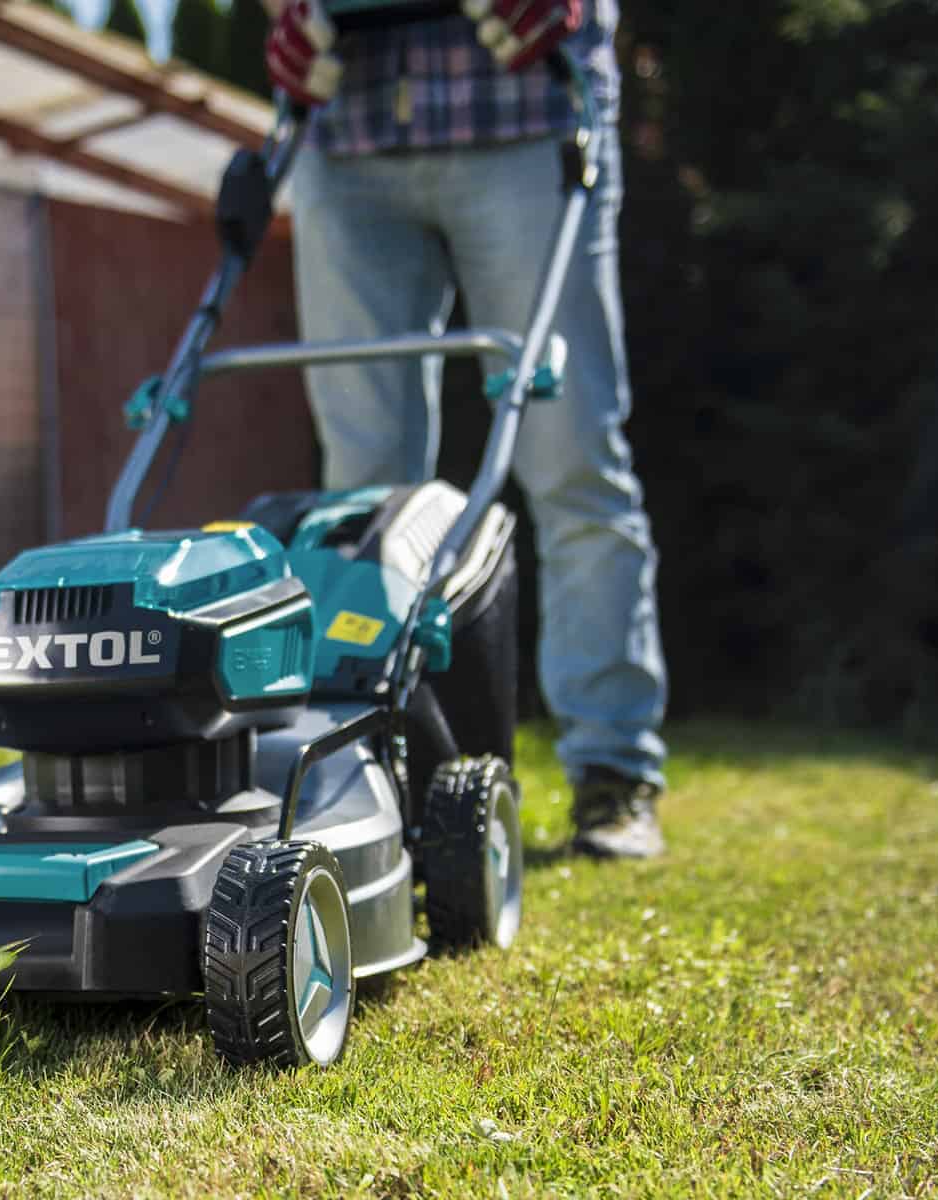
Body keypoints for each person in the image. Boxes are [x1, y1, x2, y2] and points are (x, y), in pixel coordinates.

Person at [262, 0, 669, 857]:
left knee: (571, 456)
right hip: (350, 128)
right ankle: (374, 769)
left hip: (525, 111)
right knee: (362, 496)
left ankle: (612, 771)